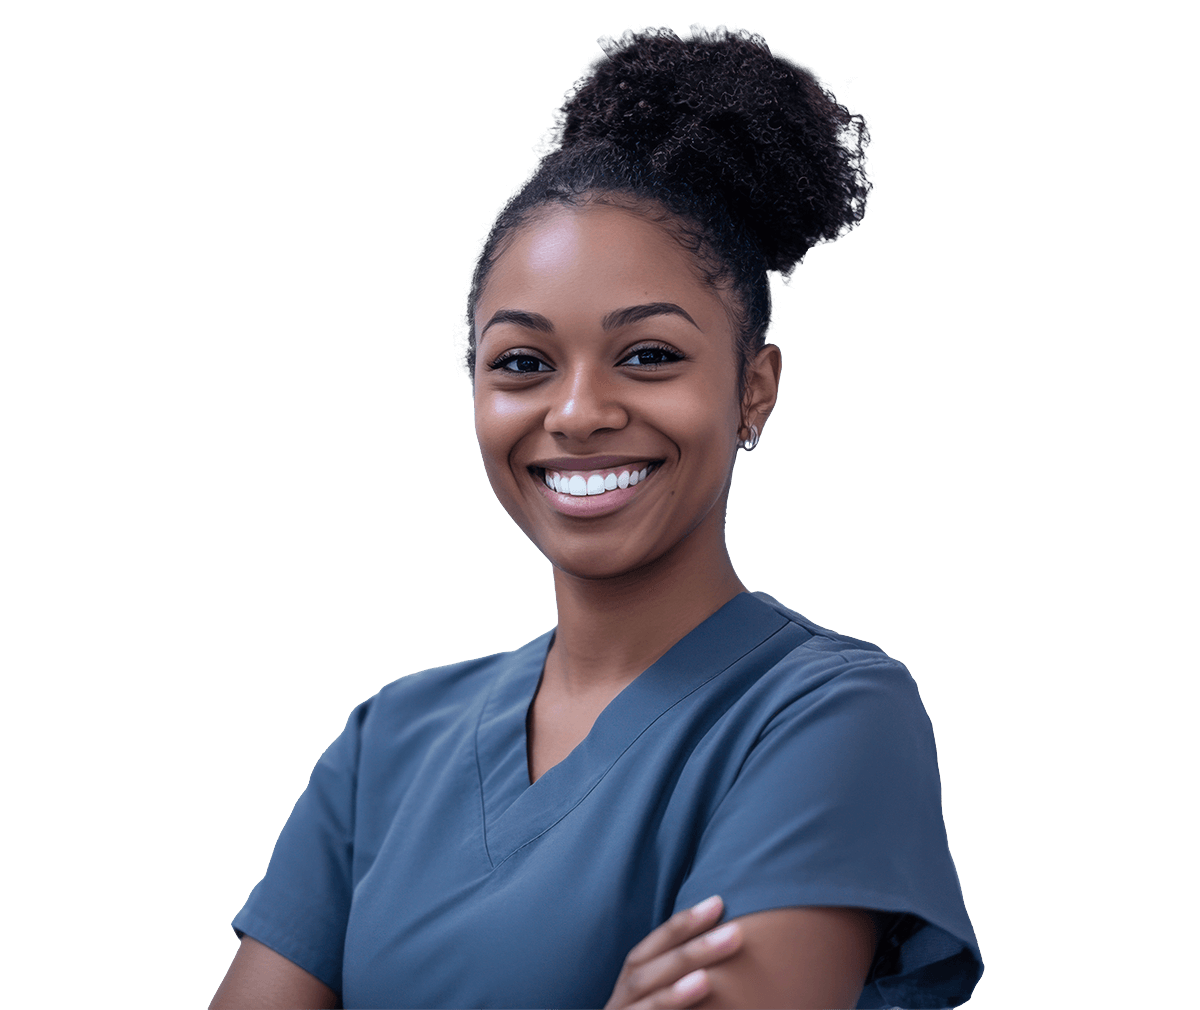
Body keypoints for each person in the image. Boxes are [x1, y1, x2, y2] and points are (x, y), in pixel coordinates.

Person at [211, 24, 982, 1009]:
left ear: (754, 390)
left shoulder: (827, 716)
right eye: (523, 362)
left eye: (649, 354)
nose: (576, 413)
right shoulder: (387, 742)